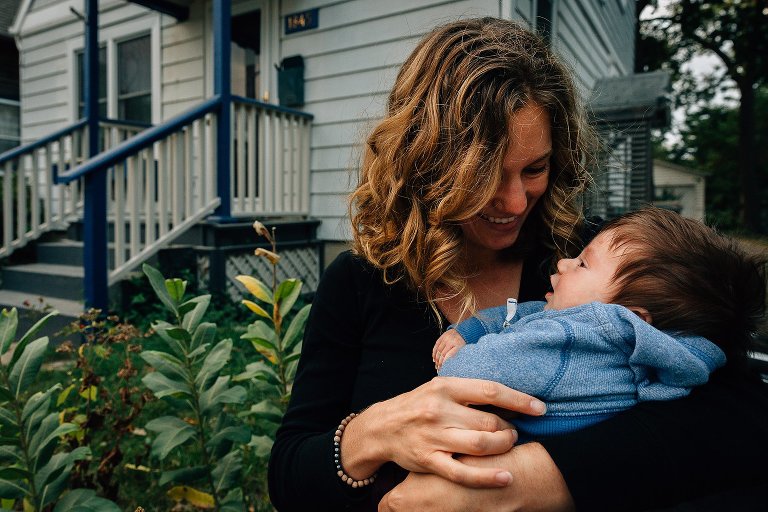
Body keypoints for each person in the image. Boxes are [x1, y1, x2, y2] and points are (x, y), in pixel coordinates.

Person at [268, 17, 768, 512]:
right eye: (482, 175)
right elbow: (290, 475)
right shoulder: (361, 281)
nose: (512, 202)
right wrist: (368, 435)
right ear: (422, 163)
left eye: (535, 168)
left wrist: (541, 480)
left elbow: (745, 412)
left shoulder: (598, 260)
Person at [435, 207, 765, 438]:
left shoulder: (572, 338)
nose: (564, 262)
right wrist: (470, 329)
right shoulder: (659, 352)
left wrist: (458, 353)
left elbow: (466, 376)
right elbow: (525, 312)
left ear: (629, 318)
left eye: (582, 264)